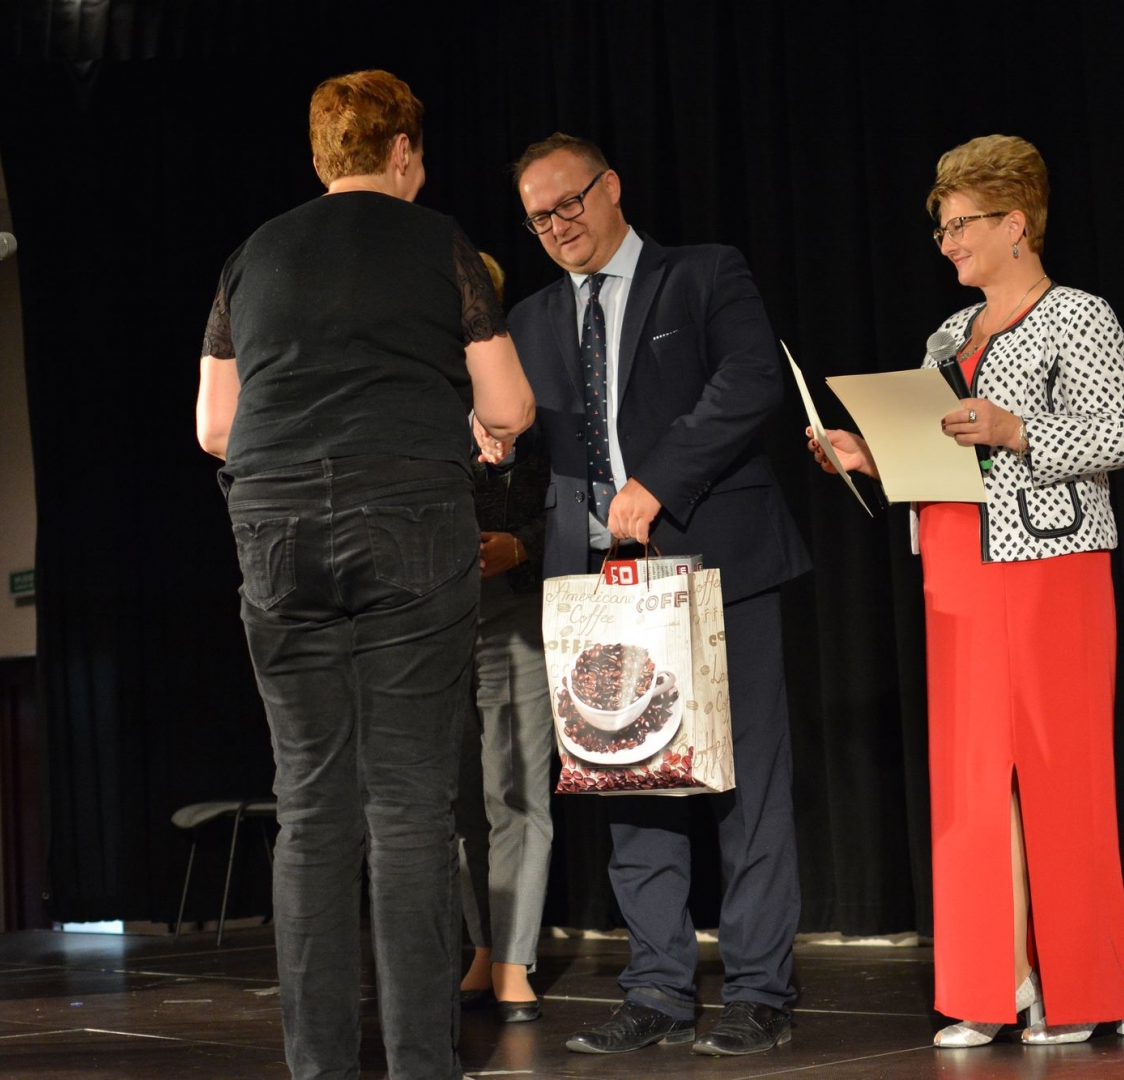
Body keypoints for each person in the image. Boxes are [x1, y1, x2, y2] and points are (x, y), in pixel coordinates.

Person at [193, 69, 533, 1080]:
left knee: (309, 806)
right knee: (410, 804)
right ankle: (423, 1064)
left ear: (319, 158)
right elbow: (508, 409)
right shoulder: (441, 244)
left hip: (275, 525)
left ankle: (321, 1068)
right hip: (409, 518)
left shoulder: (253, 255)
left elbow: (215, 427)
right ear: (403, 152)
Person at [810, 135, 1124, 1046]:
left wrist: (1015, 428)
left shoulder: (1078, 315)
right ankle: (994, 985)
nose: (948, 242)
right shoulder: (948, 335)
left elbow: (1123, 433)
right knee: (969, 786)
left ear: (1016, 224)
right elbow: (939, 454)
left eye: (961, 224)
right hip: (957, 563)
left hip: (1051, 565)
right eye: (943, 228)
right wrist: (869, 455)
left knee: (1061, 773)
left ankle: (1085, 987)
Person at [498, 132, 811, 1056]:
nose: (558, 227)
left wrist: (659, 482)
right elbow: (533, 441)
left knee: (746, 785)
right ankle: (659, 988)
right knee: (631, 783)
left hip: (719, 565)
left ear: (611, 187)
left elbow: (751, 380)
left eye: (569, 204)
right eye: (538, 218)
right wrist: (493, 437)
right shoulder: (530, 319)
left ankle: (759, 990)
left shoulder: (702, 274)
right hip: (601, 584)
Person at [455, 252, 554, 1023]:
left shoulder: (533, 387)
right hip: (433, 616)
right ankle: (484, 944)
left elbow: (576, 498)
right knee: (454, 796)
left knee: (515, 787)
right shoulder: (416, 393)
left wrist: (522, 546)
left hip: (516, 609)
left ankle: (516, 957)